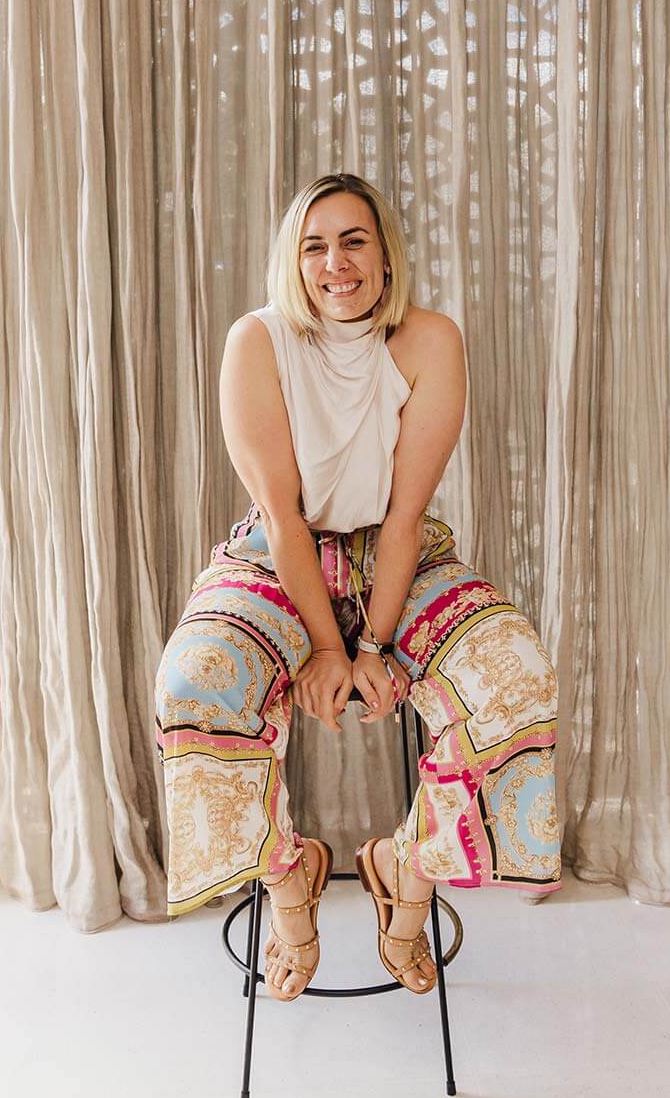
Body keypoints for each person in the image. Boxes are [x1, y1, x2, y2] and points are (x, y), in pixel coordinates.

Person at [155, 172, 560, 1003]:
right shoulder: (256, 342)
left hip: (395, 557)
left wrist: (371, 646)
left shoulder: (430, 339)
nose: (334, 263)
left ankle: (405, 871)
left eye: (353, 241)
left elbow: (406, 517)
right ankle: (287, 879)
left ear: (383, 255)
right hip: (279, 556)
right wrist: (326, 649)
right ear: (293, 262)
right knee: (194, 683)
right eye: (314, 245)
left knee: (518, 677)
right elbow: (282, 512)